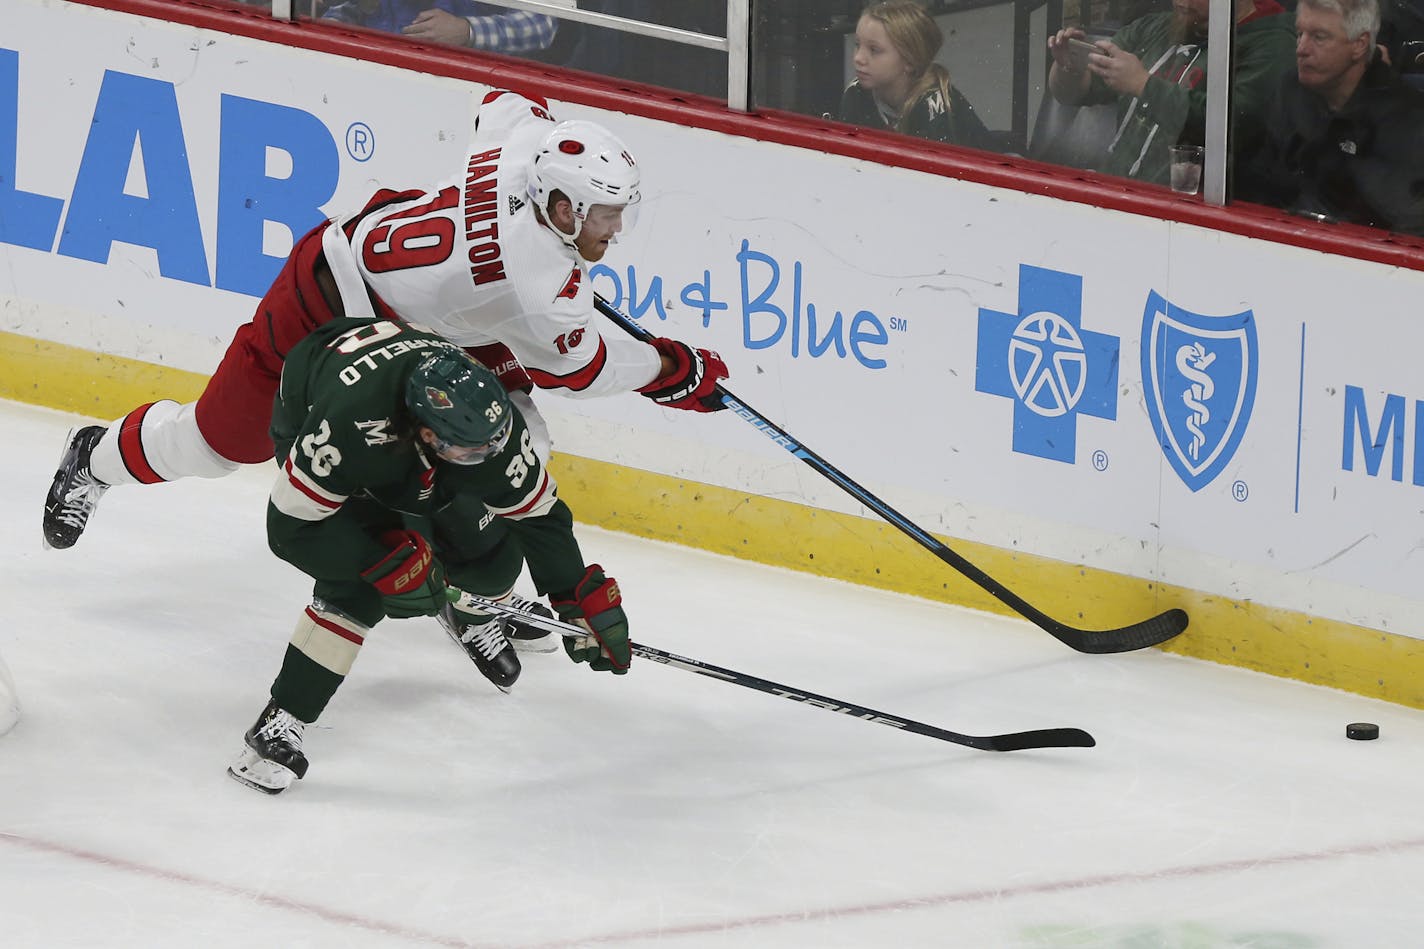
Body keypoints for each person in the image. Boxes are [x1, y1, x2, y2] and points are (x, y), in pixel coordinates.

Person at [42, 87, 727, 555]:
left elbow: (502, 99)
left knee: (514, 438)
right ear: (563, 208)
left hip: (422, 318)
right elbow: (585, 369)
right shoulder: (540, 286)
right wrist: (672, 369)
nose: (616, 229)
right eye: (607, 215)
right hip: (328, 300)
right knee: (219, 443)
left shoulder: (527, 145)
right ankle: (95, 459)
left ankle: (471, 582)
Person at [228, 317, 633, 794]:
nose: (488, 456)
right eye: (470, 452)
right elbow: (290, 528)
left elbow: (538, 514)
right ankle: (278, 723)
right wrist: (382, 566)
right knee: (361, 587)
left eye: (493, 446)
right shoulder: (347, 427)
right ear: (425, 434)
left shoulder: (484, 425)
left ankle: (466, 611)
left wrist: (574, 594)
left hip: (411, 418)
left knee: (490, 558)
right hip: (323, 404)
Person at [1046, 0, 1295, 185]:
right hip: (1116, 193)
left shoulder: (1272, 46)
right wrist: (1069, 68)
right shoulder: (1156, 28)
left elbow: (1232, 125)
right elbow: (1075, 94)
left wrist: (1143, 85)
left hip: (1194, 218)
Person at [1235, 0, 1424, 233]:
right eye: (1300, 33)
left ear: (1360, 45)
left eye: (1319, 37)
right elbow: (1261, 183)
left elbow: (1403, 225)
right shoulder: (1292, 90)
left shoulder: (1406, 120)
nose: (1301, 48)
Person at [836, 0, 992, 149]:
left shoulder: (932, 107)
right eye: (857, 45)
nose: (858, 58)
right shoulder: (855, 94)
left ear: (910, 61)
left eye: (874, 50)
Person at [318, 1, 559, 55]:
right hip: (384, 77)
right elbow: (355, 8)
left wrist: (467, 30)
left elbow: (541, 23)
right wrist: (333, 28)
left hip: (473, 90)